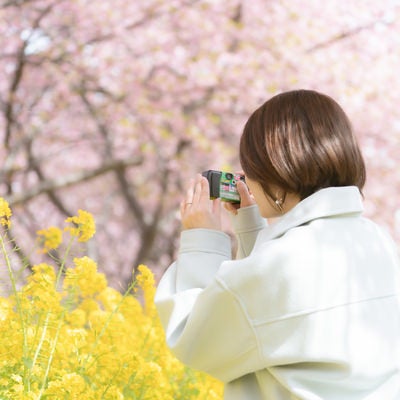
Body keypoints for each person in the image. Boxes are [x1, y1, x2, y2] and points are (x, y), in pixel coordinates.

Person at [154, 89, 400, 399]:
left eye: (252, 168)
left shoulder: (281, 262)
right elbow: (275, 318)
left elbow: (192, 338)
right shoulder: (376, 239)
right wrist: (250, 226)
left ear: (275, 169)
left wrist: (201, 239)